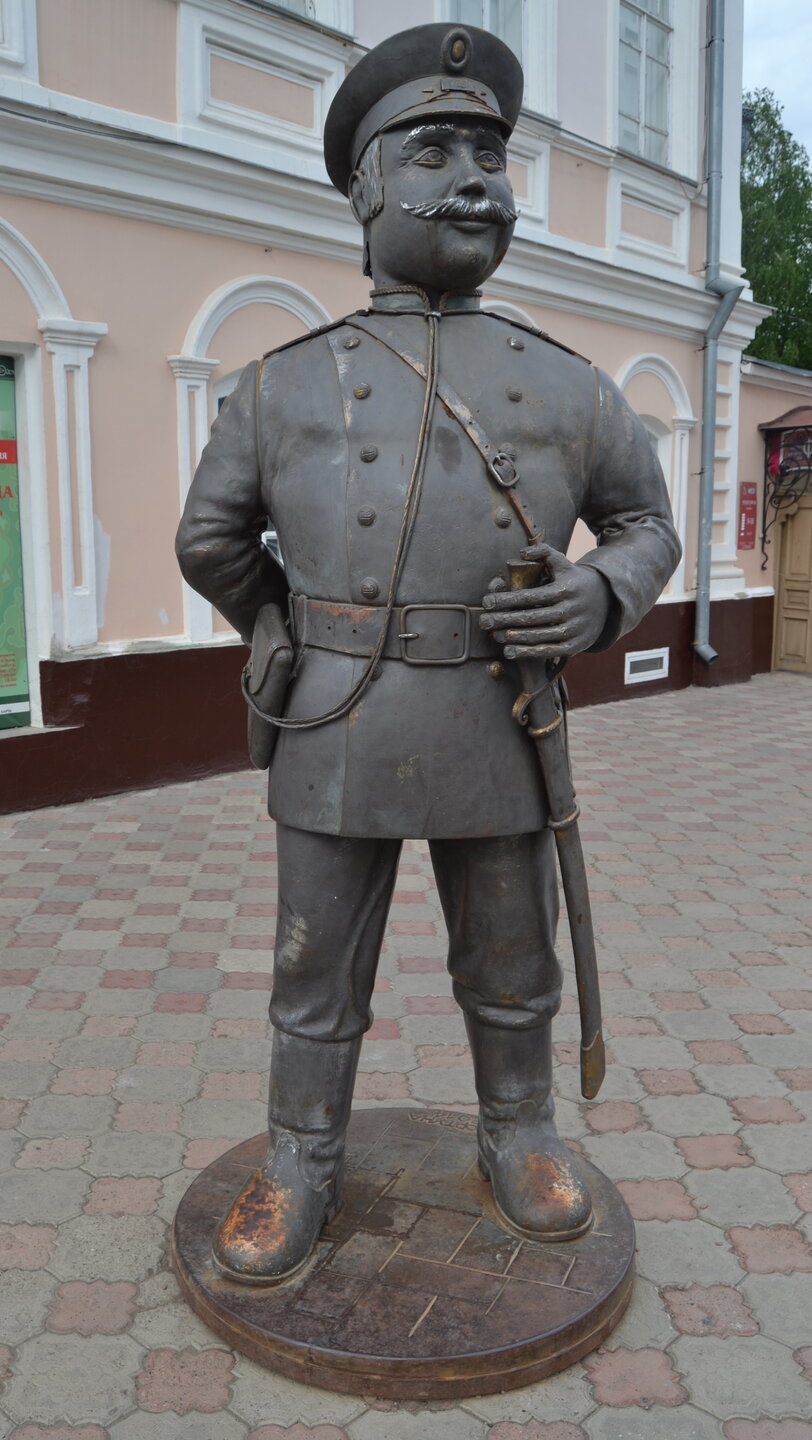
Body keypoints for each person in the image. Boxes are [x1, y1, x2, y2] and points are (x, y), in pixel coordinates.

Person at [176, 22, 681, 1284]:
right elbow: (209, 539)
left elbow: (647, 524)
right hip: (335, 718)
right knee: (312, 965)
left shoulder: (566, 387)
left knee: (512, 958)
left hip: (500, 717)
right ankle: (301, 1154)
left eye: (489, 157)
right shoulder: (282, 386)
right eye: (434, 151)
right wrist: (288, 630)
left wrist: (597, 594)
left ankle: (519, 1132)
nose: (473, 181)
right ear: (363, 190)